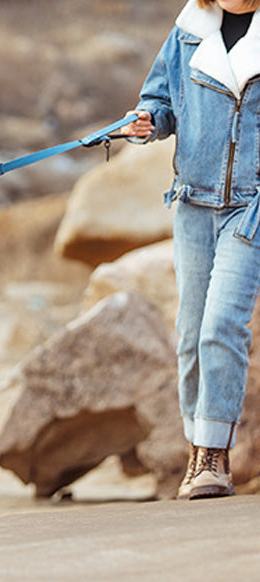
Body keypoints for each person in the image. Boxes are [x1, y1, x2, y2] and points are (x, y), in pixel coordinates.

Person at [121, 0, 260, 499]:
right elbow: (161, 100)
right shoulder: (189, 28)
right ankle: (197, 444)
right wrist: (146, 121)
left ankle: (214, 458)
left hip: (252, 207)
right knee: (190, 331)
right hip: (193, 204)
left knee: (223, 323)